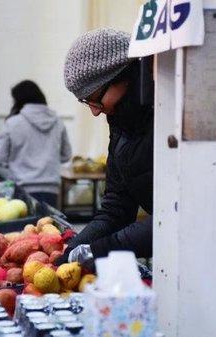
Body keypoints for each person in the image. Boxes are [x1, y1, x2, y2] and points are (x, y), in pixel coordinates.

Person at [56, 28, 154, 265]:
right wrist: (75, 247)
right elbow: (116, 206)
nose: (95, 110)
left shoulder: (167, 114)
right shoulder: (121, 124)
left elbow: (178, 214)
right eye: (85, 101)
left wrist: (101, 249)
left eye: (95, 97)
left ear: (122, 75)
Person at [0, 80, 72, 206]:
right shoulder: (58, 122)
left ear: (18, 100)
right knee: (47, 224)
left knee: (25, 226)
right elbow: (66, 155)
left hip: (22, 188)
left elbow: (0, 156)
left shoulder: (13, 123)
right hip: (51, 188)